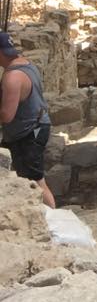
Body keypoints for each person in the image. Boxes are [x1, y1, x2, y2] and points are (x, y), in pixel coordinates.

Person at [0, 33, 56, 207]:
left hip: (29, 132)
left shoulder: (13, 77)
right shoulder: (26, 64)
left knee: (36, 181)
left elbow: (7, 115)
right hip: (36, 125)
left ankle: (53, 216)